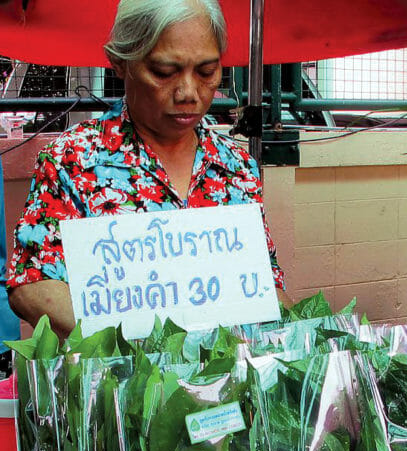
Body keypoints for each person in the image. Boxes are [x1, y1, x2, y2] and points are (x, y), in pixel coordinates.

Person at [5, 0, 290, 339]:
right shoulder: (73, 160)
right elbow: (31, 283)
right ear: (120, 64)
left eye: (206, 71)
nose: (188, 93)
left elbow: (265, 288)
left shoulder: (236, 168)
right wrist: (133, 345)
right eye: (164, 72)